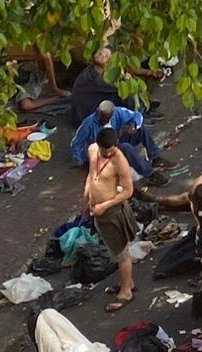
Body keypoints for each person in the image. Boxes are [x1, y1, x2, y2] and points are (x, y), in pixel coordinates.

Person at [85, 128, 138, 312]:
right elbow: (91, 175)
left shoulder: (119, 161)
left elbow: (128, 191)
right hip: (97, 211)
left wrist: (105, 205)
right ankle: (128, 282)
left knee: (121, 253)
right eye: (104, 149)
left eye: (111, 149)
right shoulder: (93, 151)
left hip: (112, 212)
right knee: (113, 249)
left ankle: (126, 291)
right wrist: (86, 198)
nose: (107, 153)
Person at [70, 100, 170, 183]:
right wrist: (81, 162)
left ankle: (155, 157)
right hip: (102, 152)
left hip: (115, 142)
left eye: (108, 118)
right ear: (98, 112)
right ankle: (150, 174)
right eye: (102, 118)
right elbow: (76, 143)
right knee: (126, 147)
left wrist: (134, 124)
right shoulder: (88, 124)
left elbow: (137, 116)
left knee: (141, 129)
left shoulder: (118, 112)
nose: (105, 120)